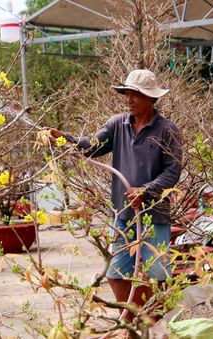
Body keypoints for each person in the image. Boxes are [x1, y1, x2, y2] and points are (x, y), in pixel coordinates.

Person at [48, 69, 182, 324]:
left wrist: (146, 191)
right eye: (127, 93)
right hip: (123, 214)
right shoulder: (117, 124)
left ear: (151, 99)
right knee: (116, 272)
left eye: (135, 95)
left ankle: (154, 322)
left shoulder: (168, 130)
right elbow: (90, 147)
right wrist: (63, 139)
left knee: (158, 274)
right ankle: (134, 319)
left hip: (154, 216)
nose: (128, 99)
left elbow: (172, 172)